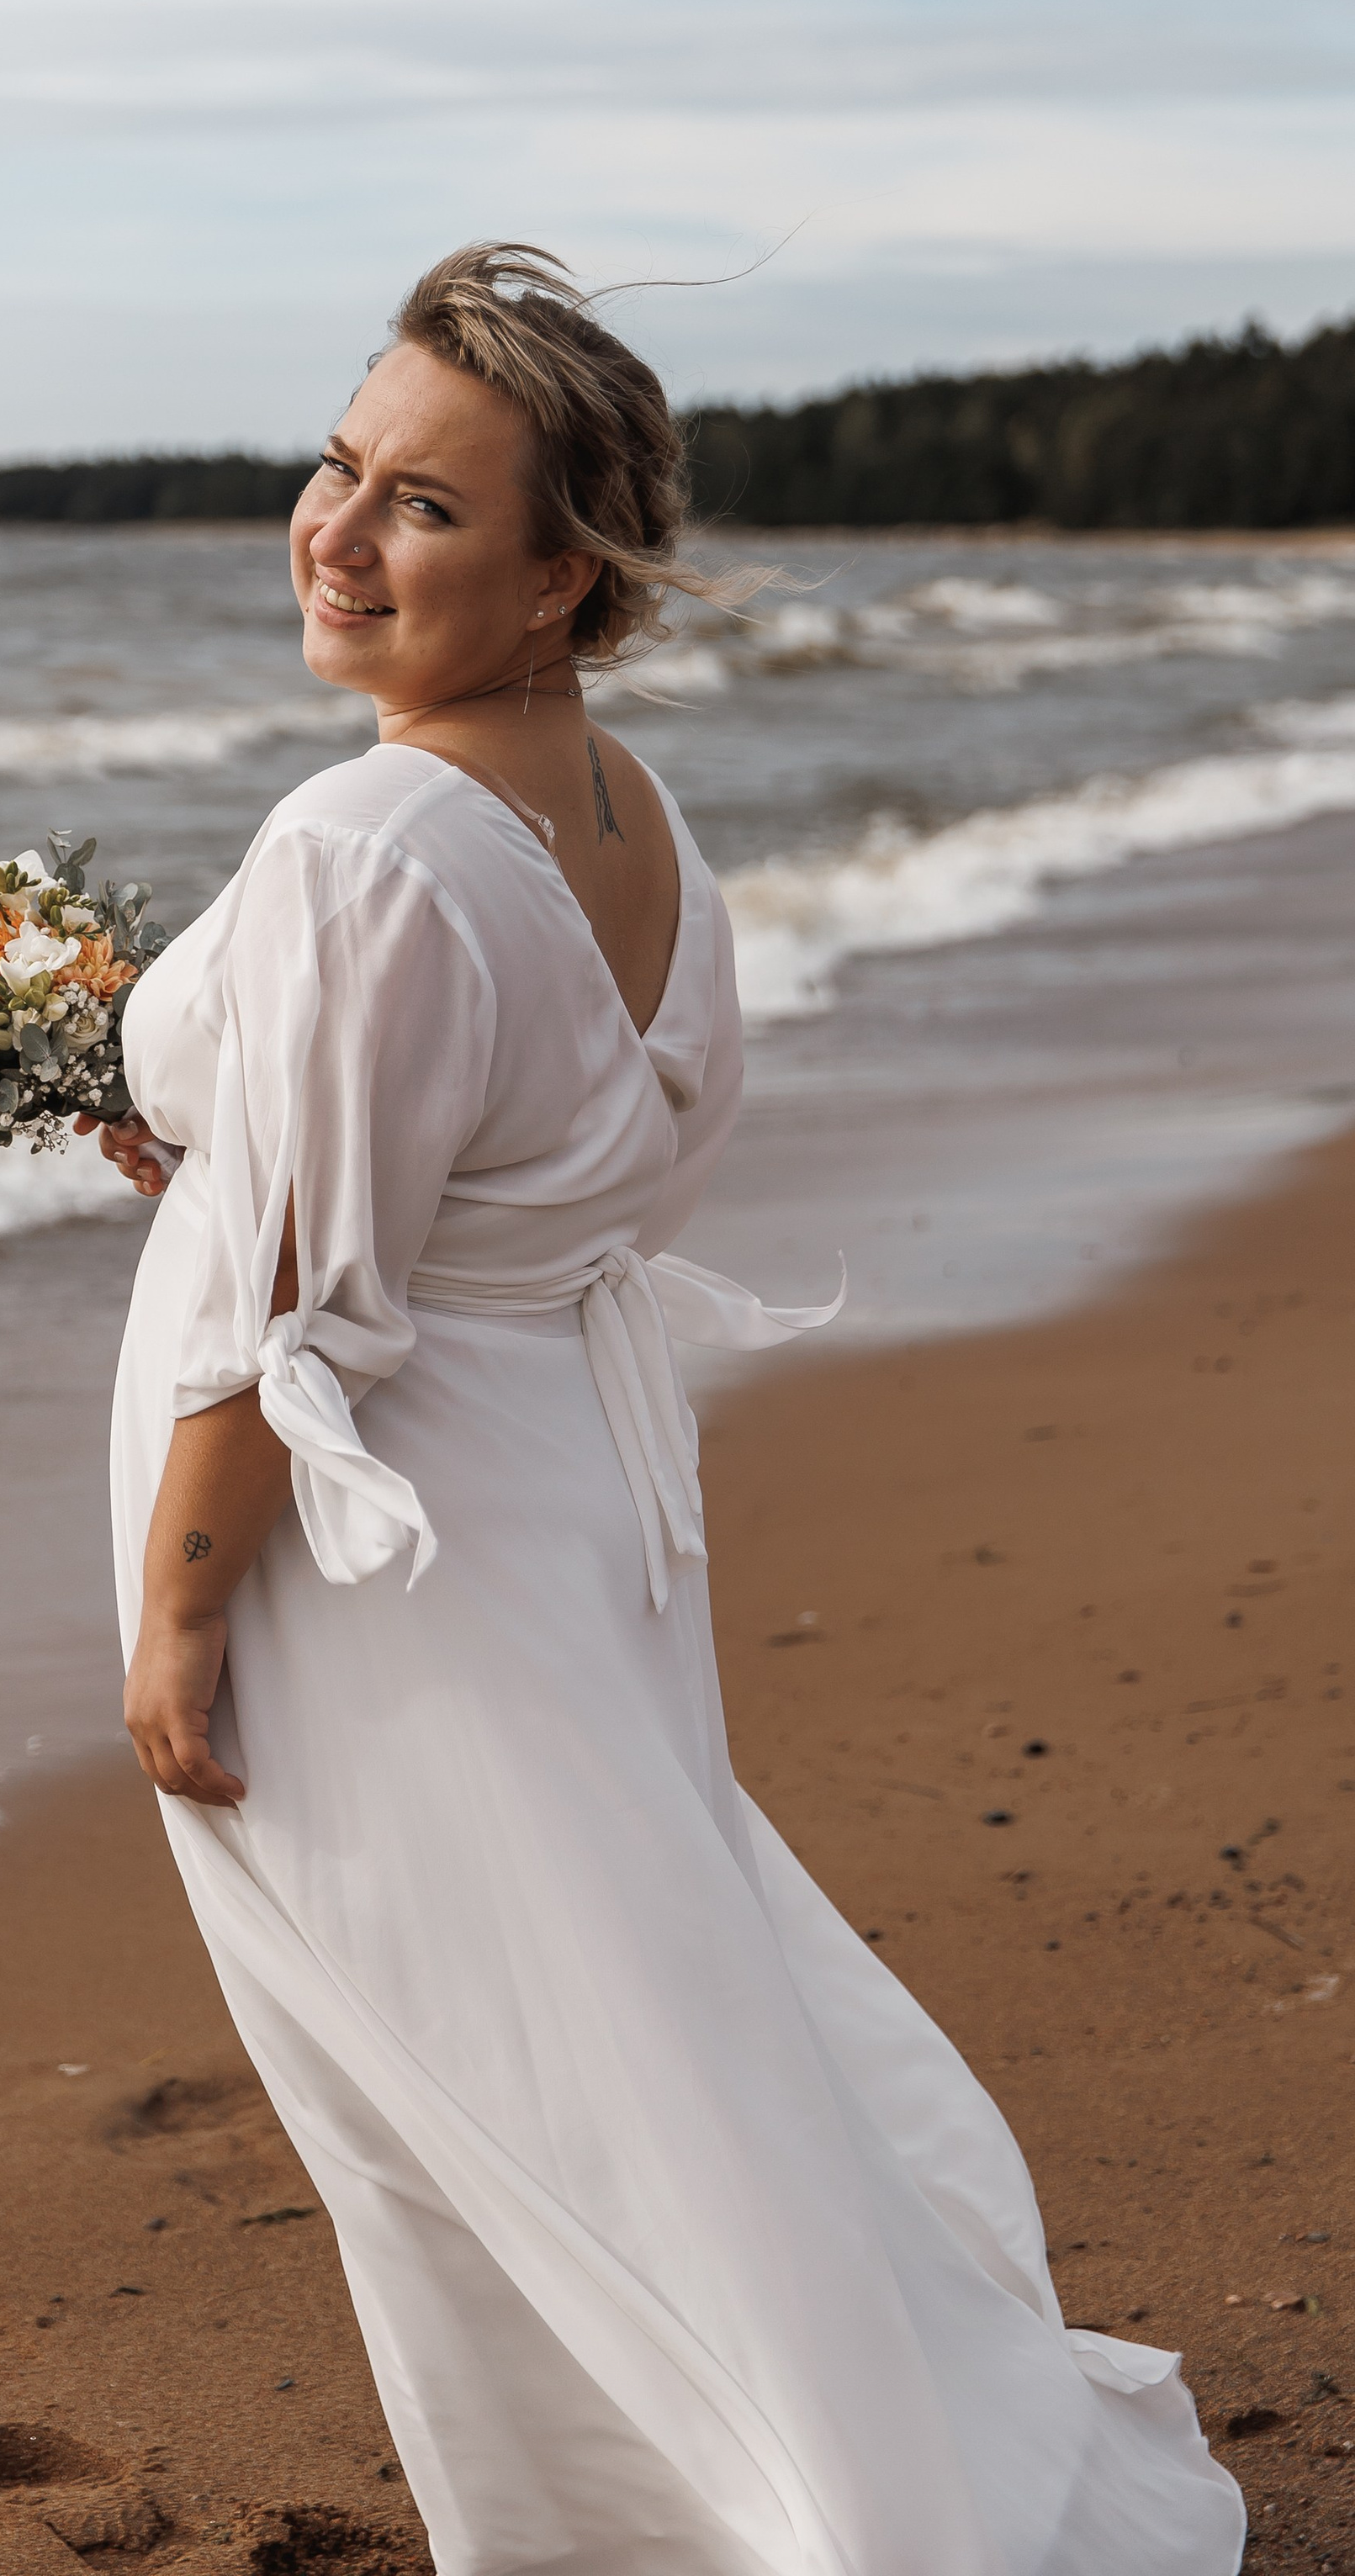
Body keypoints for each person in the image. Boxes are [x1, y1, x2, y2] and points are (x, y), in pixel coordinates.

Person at [83, 245, 1243, 2575]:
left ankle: (766, 2518)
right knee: (635, 2026)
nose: (337, 530)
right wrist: (234, 1140)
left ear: (560, 580)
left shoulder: (361, 846)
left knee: (478, 2073)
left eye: (423, 506)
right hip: (554, 1505)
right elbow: (513, 1167)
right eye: (340, 465)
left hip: (384, 1560)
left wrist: (187, 1605)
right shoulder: (629, 819)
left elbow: (304, 1311)